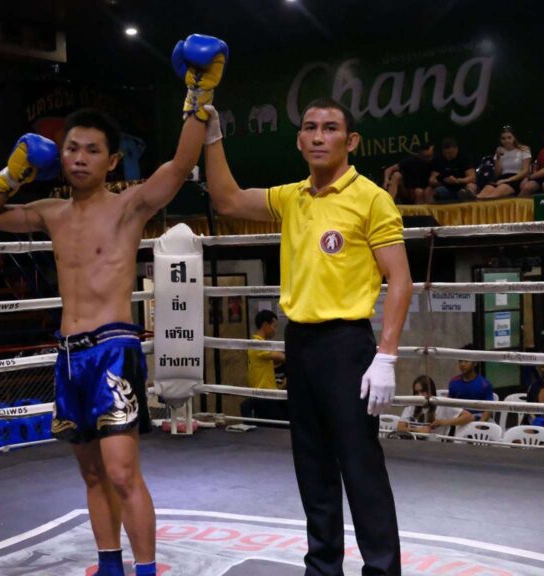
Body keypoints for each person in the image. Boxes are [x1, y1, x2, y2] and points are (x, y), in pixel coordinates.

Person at [0, 33, 226, 576]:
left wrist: (198, 96)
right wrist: (12, 172)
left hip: (113, 348)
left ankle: (147, 569)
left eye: (91, 150)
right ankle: (110, 566)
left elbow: (180, 165)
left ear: (111, 161)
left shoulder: (130, 207)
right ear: (58, 157)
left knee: (121, 471)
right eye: (71, 148)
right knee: (90, 475)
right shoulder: (49, 212)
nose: (79, 158)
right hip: (68, 353)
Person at [204, 96, 411, 575]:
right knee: (312, 468)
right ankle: (322, 569)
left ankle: (382, 571)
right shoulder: (291, 197)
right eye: (311, 128)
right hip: (299, 343)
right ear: (299, 140)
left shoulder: (372, 198)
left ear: (350, 140)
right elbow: (227, 199)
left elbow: (399, 280)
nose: (319, 136)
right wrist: (211, 135)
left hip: (348, 347)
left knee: (361, 468)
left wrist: (387, 356)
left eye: (331, 128)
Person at [240, 309, 287, 422]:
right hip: (265, 397)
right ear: (265, 325)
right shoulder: (259, 344)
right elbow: (283, 357)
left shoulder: (259, 344)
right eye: (274, 326)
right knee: (279, 428)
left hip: (267, 395)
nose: (275, 331)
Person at [397, 375, 473, 438]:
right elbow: (400, 428)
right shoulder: (412, 404)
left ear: (431, 391)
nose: (419, 395)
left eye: (423, 391)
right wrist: (418, 431)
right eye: (416, 392)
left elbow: (469, 417)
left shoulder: (442, 403)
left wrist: (443, 422)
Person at [477, 126, 531, 199]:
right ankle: (471, 199)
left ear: (514, 138)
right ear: (500, 140)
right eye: (503, 138)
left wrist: (507, 180)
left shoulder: (524, 149)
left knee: (492, 196)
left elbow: (525, 171)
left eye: (509, 138)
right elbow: (498, 173)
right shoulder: (499, 151)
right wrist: (498, 157)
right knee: (483, 193)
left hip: (516, 178)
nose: (506, 141)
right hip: (502, 178)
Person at [448, 345, 494, 422]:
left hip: (478, 422)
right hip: (459, 421)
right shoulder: (453, 382)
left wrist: (478, 426)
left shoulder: (484, 384)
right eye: (460, 361)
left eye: (466, 361)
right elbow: (449, 406)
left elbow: (488, 409)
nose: (463, 364)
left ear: (475, 363)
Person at [427, 137, 477, 202]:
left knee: (471, 186)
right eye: (445, 153)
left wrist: (457, 180)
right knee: (429, 190)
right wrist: (444, 181)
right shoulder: (438, 160)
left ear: (456, 149)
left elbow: (472, 178)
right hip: (445, 188)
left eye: (450, 153)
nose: (447, 156)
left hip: (462, 187)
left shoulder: (464, 158)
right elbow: (432, 180)